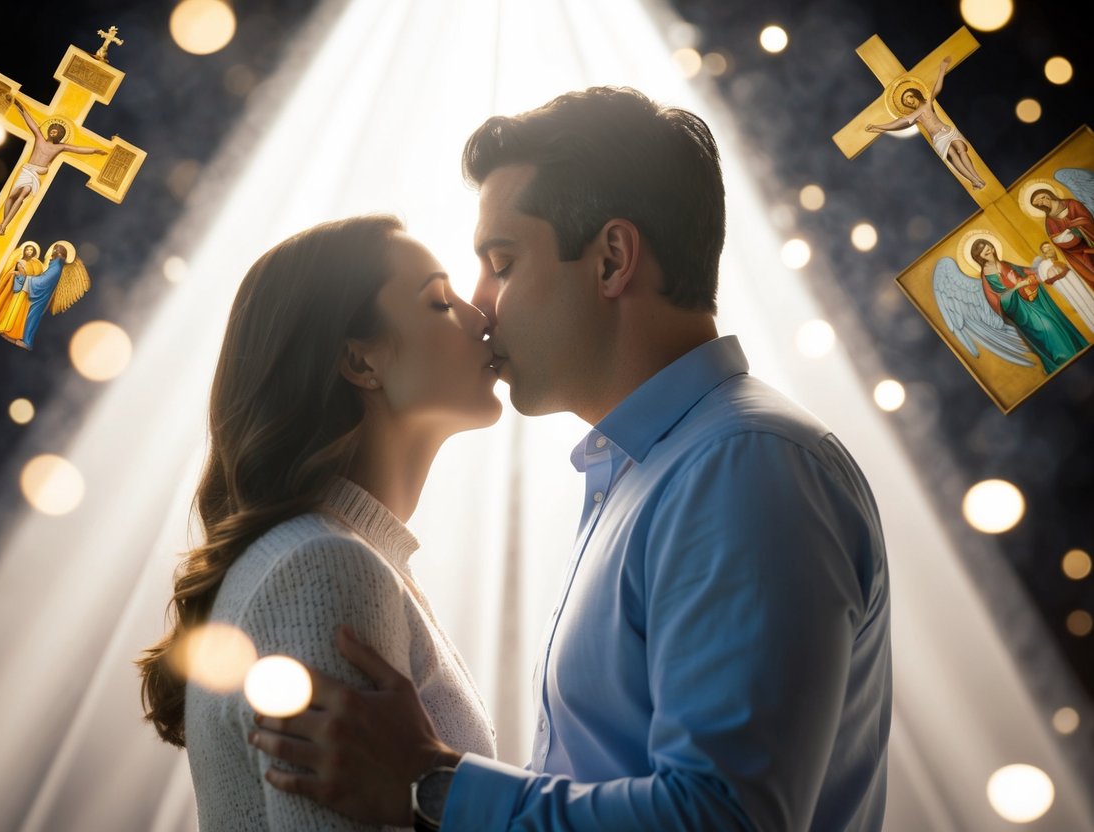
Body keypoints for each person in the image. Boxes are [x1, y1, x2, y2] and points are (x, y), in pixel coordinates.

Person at [250, 86, 893, 831]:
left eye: (501, 260)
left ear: (612, 258)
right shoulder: (649, 470)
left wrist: (432, 782)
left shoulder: (744, 465)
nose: (480, 305)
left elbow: (718, 818)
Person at [137, 215, 502, 830]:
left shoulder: (352, 559)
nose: (479, 317)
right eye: (440, 301)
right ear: (359, 361)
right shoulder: (324, 567)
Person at [865, 56, 985, 190]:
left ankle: (977, 178)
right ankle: (973, 180)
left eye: (909, 96)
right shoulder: (914, 115)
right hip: (938, 138)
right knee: (952, 154)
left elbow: (937, 89)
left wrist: (942, 69)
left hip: (947, 130)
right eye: (905, 100)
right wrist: (879, 127)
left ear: (915, 94)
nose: (908, 100)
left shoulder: (927, 103)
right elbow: (900, 122)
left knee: (962, 150)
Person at [0, 95, 108, 235]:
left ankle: (4, 225)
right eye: (52, 130)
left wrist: (94, 151)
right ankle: (4, 223)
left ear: (60, 136)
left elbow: (78, 149)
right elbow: (30, 122)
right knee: (11, 197)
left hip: (35, 174)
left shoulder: (59, 147)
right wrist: (18, 104)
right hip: (27, 170)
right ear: (48, 131)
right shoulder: (39, 138)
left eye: (57, 132)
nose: (54, 132)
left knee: (22, 195)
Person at [972, 237, 1086, 374]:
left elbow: (1023, 271)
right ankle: (1063, 359)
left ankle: (1074, 352)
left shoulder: (1004, 263)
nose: (990, 253)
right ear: (979, 257)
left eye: (990, 249)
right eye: (986, 253)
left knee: (1053, 322)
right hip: (1019, 310)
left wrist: (1038, 272)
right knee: (1047, 327)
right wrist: (1017, 288)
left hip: (1032, 299)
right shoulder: (985, 278)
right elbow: (997, 302)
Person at [1031, 186, 1094, 289]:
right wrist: (1068, 236)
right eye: (1038, 204)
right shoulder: (1050, 220)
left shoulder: (1071, 204)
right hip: (1075, 252)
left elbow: (1088, 220)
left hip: (1090, 239)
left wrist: (1075, 226)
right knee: (1090, 272)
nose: (1041, 203)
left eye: (1041, 199)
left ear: (1047, 195)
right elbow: (1055, 239)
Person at [1034, 241, 1094, 332]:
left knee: (1089, 299)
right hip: (1067, 288)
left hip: (1078, 284)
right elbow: (1046, 278)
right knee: (1082, 306)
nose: (1048, 250)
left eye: (1049, 247)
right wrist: (1057, 271)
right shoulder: (1044, 265)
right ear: (1043, 253)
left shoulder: (1063, 258)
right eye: (1045, 249)